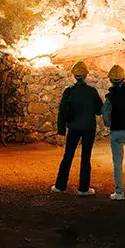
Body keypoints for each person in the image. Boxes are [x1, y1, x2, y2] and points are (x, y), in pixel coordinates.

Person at [51, 61, 102, 196]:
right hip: (89, 128)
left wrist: (61, 130)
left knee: (68, 156)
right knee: (86, 157)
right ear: (85, 76)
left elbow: (62, 111)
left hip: (73, 127)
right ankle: (83, 189)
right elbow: (99, 110)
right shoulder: (92, 91)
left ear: (74, 76)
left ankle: (60, 186)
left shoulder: (69, 92)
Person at [102, 65, 125, 200]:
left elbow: (106, 117)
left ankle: (119, 193)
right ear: (123, 78)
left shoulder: (109, 97)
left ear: (111, 80)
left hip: (117, 132)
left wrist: (111, 124)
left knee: (117, 162)